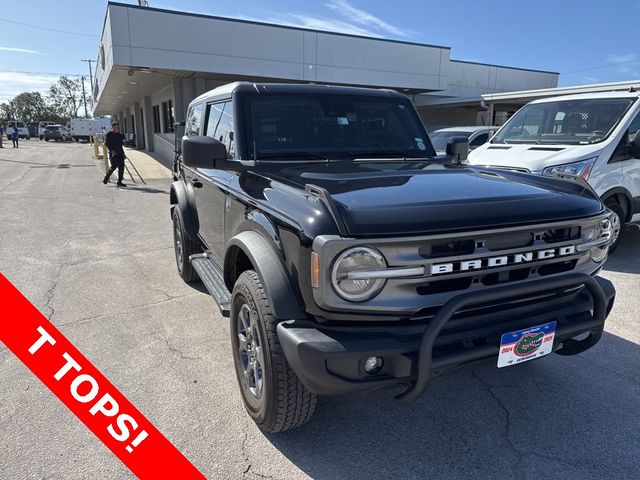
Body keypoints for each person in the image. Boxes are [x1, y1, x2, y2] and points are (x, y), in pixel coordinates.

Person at [102, 122, 127, 187]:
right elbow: (107, 143)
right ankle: (106, 178)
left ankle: (119, 182)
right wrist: (111, 150)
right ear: (113, 127)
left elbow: (120, 145)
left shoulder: (119, 135)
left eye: (118, 127)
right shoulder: (109, 134)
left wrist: (123, 153)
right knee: (113, 167)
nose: (117, 128)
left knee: (121, 167)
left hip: (120, 153)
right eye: (116, 127)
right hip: (113, 153)